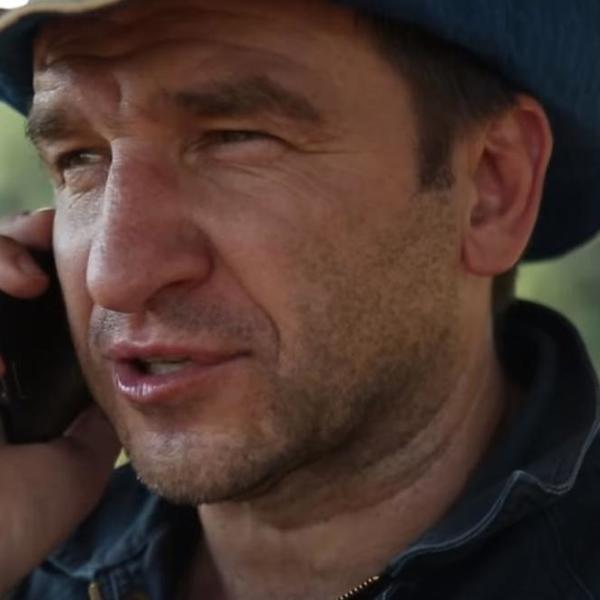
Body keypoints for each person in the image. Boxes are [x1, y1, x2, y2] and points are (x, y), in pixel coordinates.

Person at [0, 0, 599, 598]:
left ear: (492, 189)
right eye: (79, 157)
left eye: (233, 139)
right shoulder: (30, 550)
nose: (114, 278)